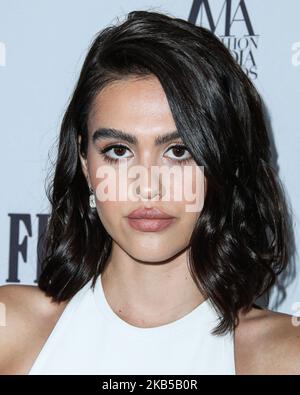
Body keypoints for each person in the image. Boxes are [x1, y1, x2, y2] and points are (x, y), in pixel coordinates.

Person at [0, 10, 299, 375]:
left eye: (178, 151)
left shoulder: (286, 357)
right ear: (84, 163)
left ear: (222, 162)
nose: (148, 185)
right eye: (118, 151)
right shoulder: (11, 330)